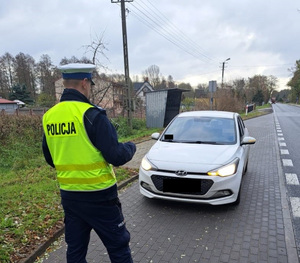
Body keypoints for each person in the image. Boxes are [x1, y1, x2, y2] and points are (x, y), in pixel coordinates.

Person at [42, 63, 136, 263]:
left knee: (75, 251)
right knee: (118, 248)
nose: (91, 88)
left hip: (70, 197)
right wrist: (131, 147)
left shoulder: (49, 116)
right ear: (84, 83)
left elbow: (50, 158)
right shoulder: (92, 115)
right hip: (100, 196)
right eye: (91, 85)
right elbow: (116, 156)